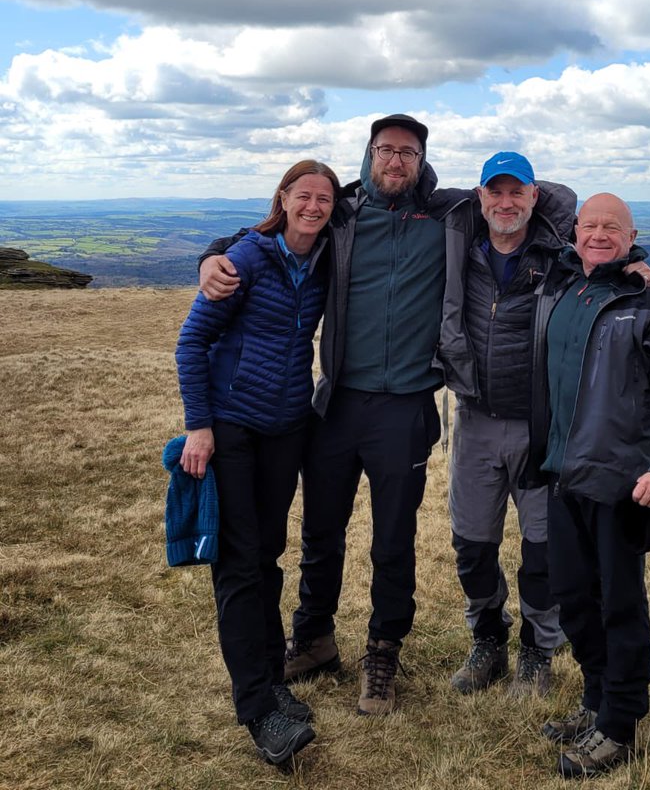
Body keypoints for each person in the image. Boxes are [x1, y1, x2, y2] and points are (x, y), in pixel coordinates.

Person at [199, 115, 473, 716]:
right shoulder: (343, 214)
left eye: (408, 152)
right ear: (369, 154)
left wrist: (631, 255)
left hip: (404, 408)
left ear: (423, 159)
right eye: (385, 150)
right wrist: (211, 254)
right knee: (321, 531)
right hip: (336, 404)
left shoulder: (454, 214)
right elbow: (271, 230)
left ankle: (382, 653)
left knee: (393, 542)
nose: (395, 161)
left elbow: (547, 203)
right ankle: (315, 637)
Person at [448, 158, 650, 699]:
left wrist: (637, 264)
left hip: (541, 427)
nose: (505, 203)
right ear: (480, 196)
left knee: (543, 551)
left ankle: (538, 649)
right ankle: (488, 637)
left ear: (534, 196)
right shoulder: (459, 245)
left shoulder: (557, 257)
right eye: (495, 192)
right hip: (474, 419)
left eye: (515, 192)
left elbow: (603, 252)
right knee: (472, 545)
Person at [529, 193, 650, 778]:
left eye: (613, 226)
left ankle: (620, 725)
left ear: (633, 235)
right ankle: (594, 702)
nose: (599, 234)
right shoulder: (561, 286)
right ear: (573, 230)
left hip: (621, 487)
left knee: (620, 606)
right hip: (561, 477)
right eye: (590, 224)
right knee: (575, 599)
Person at [175, 159, 339, 765]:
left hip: (287, 429)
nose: (315, 206)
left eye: (324, 198)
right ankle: (258, 709)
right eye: (304, 195)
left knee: (268, 553)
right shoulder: (247, 257)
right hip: (234, 427)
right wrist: (200, 426)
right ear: (284, 198)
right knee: (241, 565)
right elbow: (191, 341)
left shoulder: (325, 260)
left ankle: (272, 676)